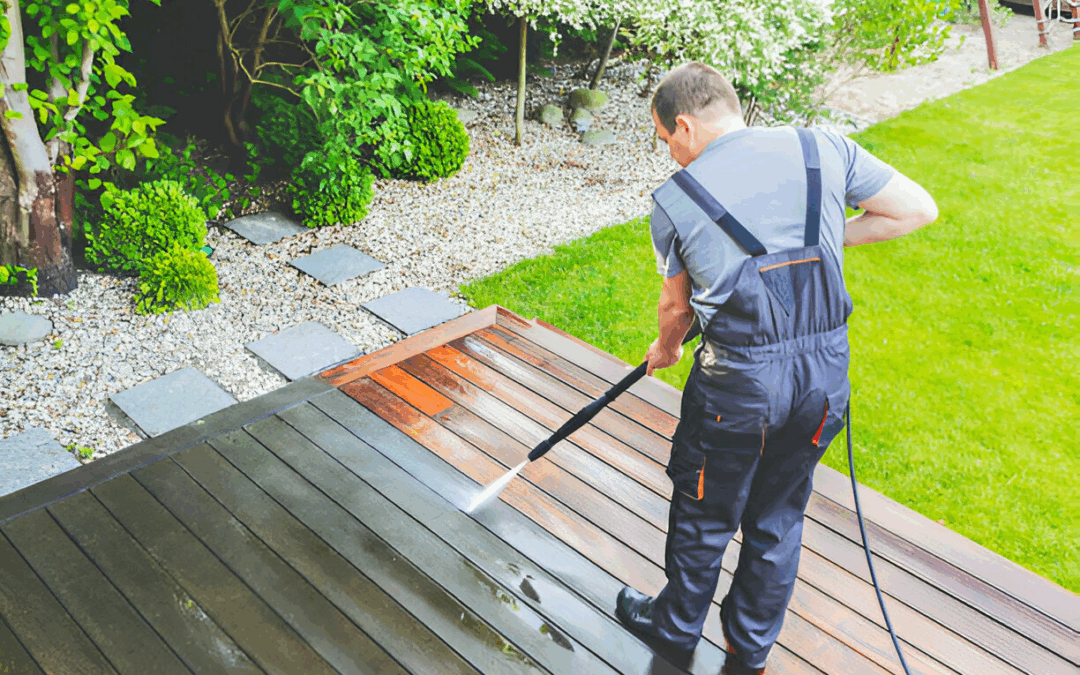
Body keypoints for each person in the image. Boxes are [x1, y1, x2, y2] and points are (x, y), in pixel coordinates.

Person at [613, 62, 938, 675]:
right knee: (779, 513)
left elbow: (675, 307)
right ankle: (750, 649)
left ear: (683, 124)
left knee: (706, 511)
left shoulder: (675, 200)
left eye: (665, 141)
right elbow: (916, 209)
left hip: (736, 389)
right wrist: (823, 238)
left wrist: (667, 350)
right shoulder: (825, 148)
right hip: (823, 382)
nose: (671, 158)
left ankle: (676, 628)